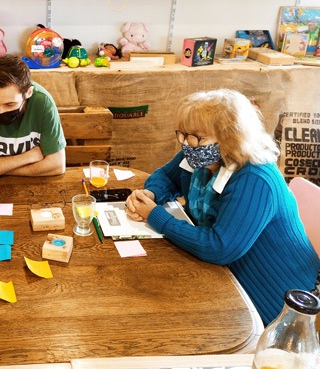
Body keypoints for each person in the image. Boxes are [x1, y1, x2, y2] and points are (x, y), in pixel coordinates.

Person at [125, 88, 320, 325]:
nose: (187, 144)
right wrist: (152, 193)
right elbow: (165, 175)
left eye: (198, 137)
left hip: (277, 297)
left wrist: (157, 217)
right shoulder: (199, 155)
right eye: (184, 135)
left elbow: (220, 247)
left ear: (230, 137)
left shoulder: (255, 178)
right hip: (228, 272)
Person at [0, 55, 66, 179]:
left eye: (10, 104)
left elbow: (57, 165)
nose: (1, 111)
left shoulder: (43, 102)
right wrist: (28, 157)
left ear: (28, 92)